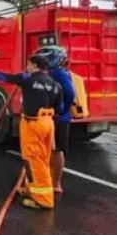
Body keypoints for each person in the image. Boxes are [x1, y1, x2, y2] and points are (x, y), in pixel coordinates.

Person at [0, 54, 61, 209]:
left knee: (34, 160)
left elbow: (3, 77)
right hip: (48, 123)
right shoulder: (55, 84)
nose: (27, 67)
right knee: (42, 158)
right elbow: (59, 107)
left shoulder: (27, 79)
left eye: (28, 64)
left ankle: (43, 200)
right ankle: (32, 189)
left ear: (34, 65)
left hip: (33, 123)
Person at [37, 45, 75, 195]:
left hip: (58, 120)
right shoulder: (50, 73)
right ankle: (45, 180)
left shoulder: (59, 74)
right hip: (46, 118)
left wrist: (61, 111)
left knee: (56, 150)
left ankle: (56, 183)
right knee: (45, 151)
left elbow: (70, 94)